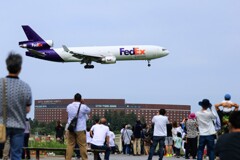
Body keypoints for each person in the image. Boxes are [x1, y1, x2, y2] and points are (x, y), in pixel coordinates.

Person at [0, 53, 32, 160]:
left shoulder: (0, 84)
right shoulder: (25, 87)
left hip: (1, 125)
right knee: (16, 154)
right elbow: (27, 109)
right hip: (18, 125)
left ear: (6, 67)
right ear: (20, 68)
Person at [65, 93, 90, 160]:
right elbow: (89, 110)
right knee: (82, 145)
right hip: (81, 129)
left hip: (71, 128)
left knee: (70, 145)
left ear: (74, 98)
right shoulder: (83, 107)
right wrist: (83, 103)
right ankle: (84, 159)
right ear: (80, 99)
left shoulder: (69, 106)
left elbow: (68, 111)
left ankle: (68, 159)